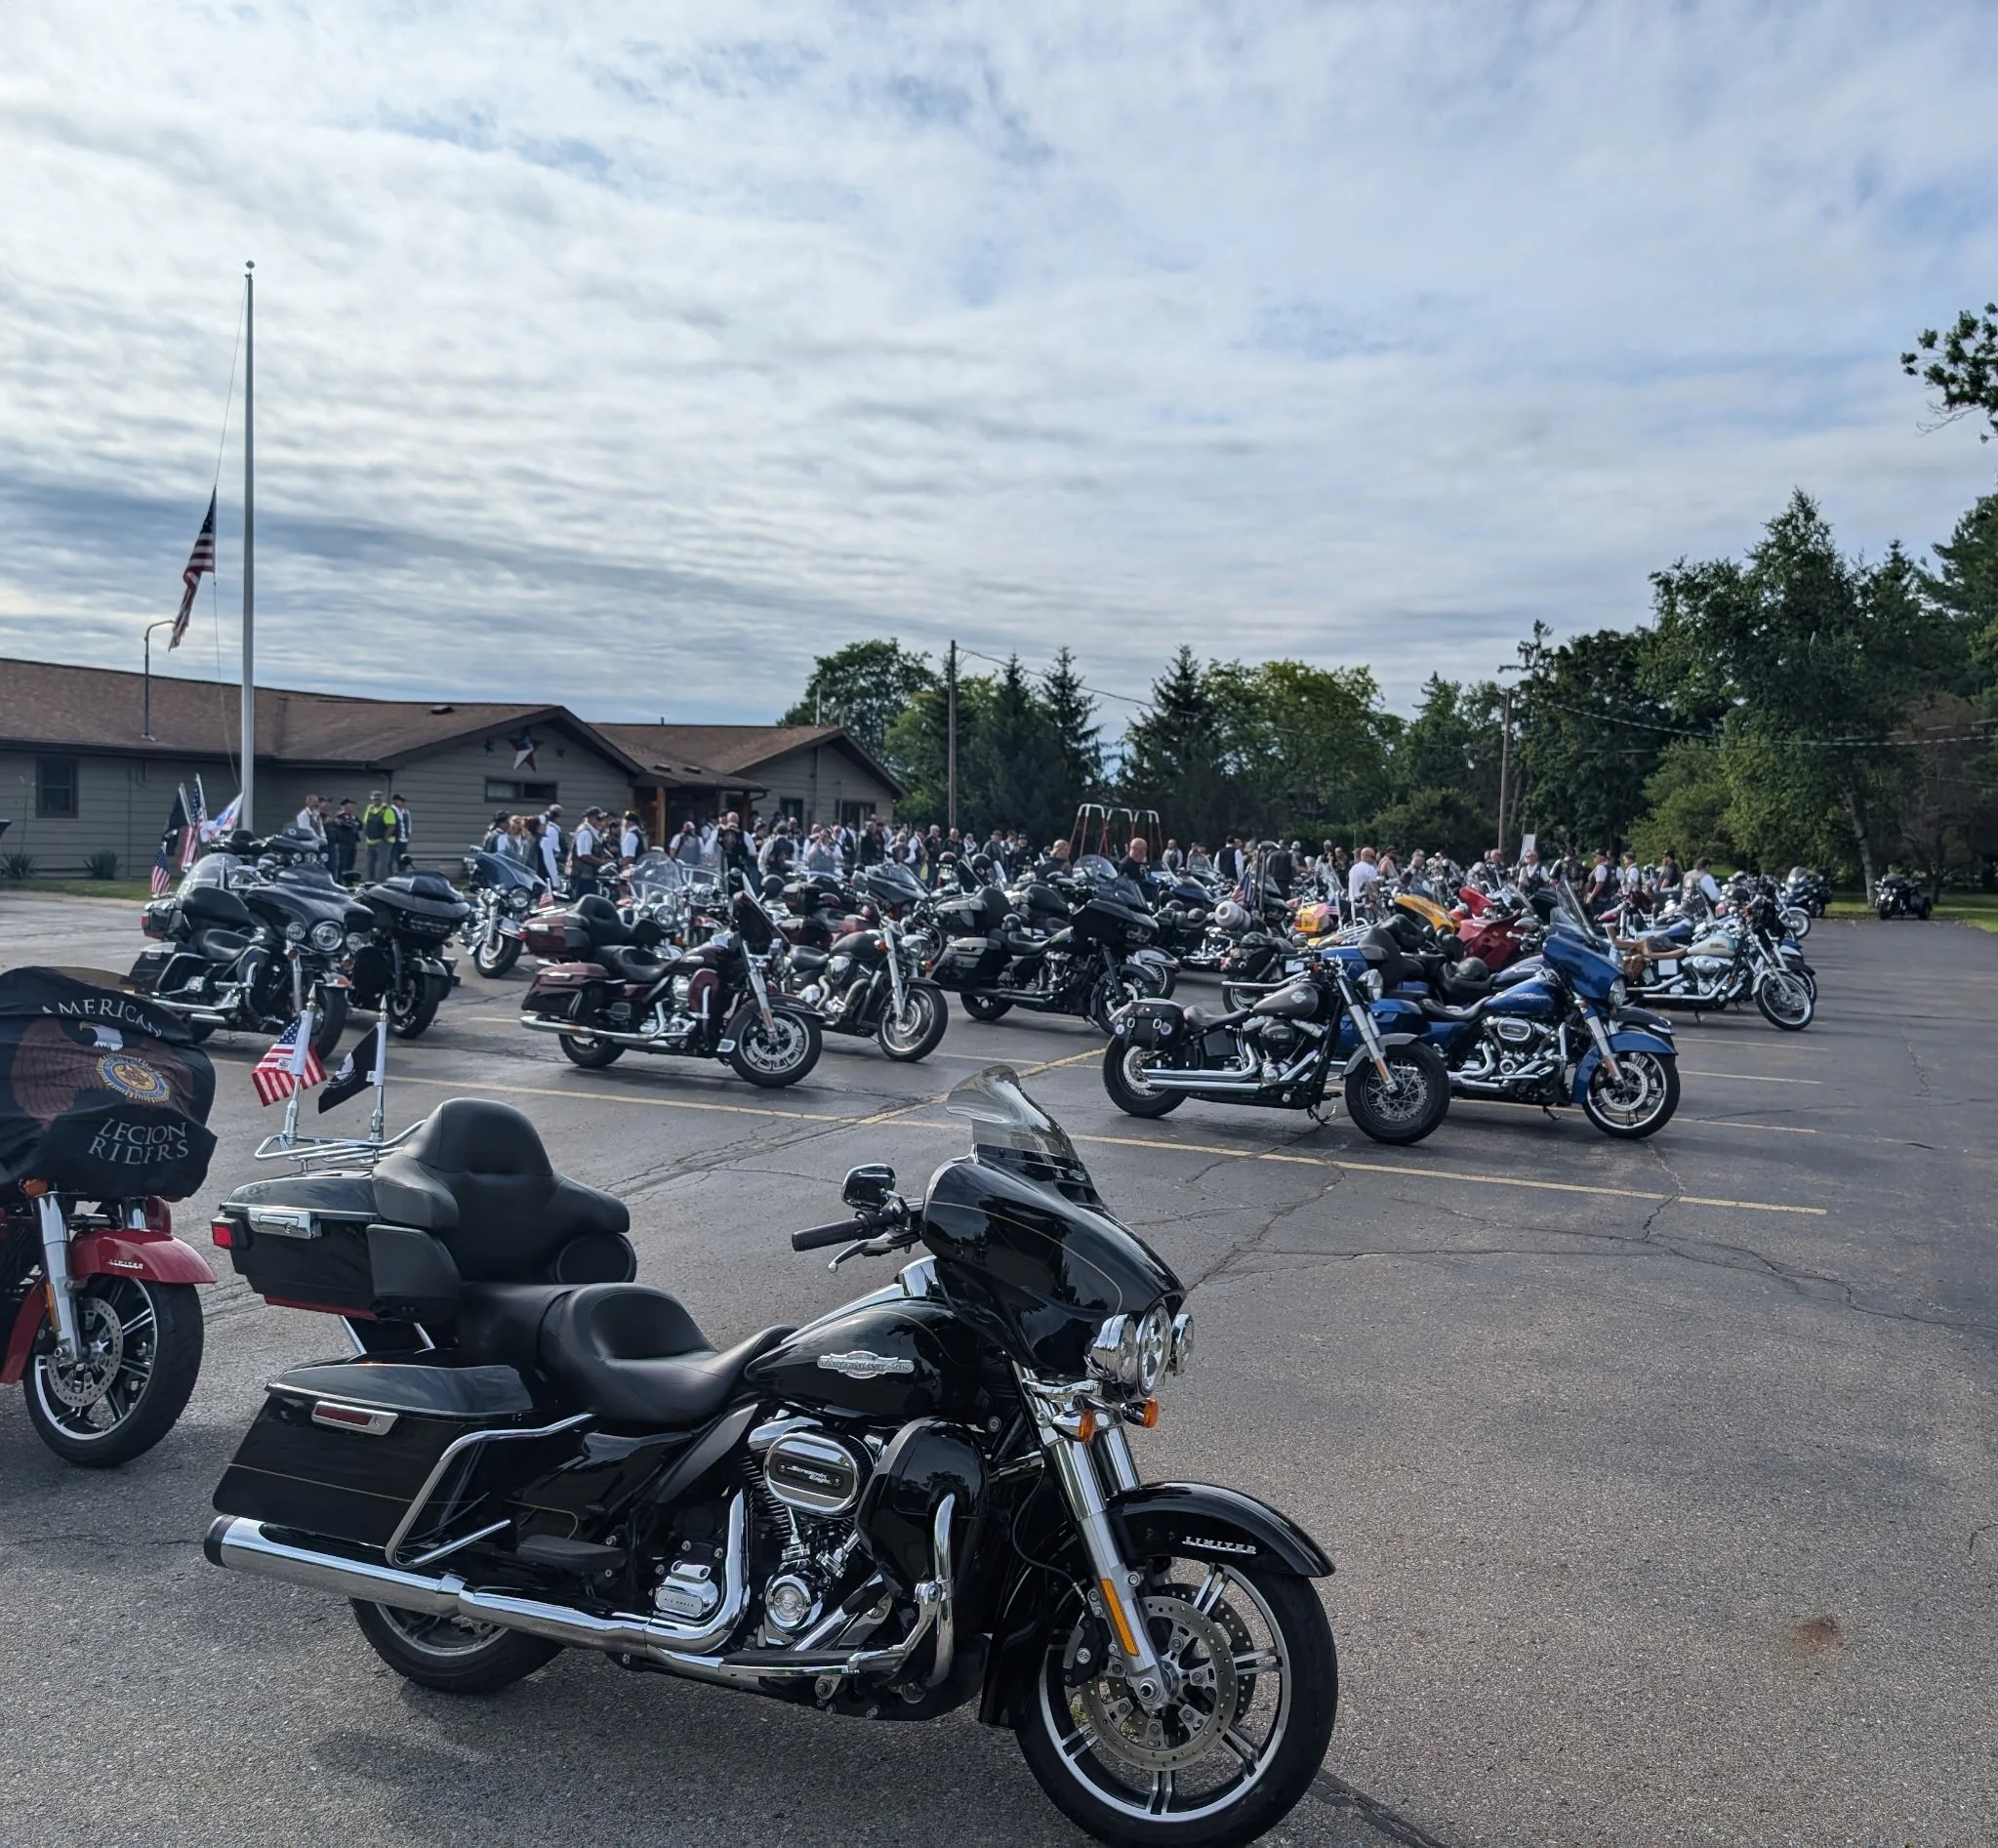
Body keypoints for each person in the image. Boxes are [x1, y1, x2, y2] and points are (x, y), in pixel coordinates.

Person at [361, 790, 399, 883]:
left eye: (378, 799)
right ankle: (370, 883)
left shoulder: (387, 810)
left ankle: (383, 885)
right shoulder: (370, 808)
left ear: (382, 799)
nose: (375, 801)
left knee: (382, 866)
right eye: (374, 799)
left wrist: (384, 839)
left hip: (383, 843)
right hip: (370, 842)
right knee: (370, 865)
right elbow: (366, 822)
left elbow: (392, 826)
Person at [569, 808, 607, 897]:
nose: (601, 822)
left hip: (588, 877)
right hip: (582, 877)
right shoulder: (585, 833)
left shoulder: (593, 833)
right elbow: (584, 855)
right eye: (598, 819)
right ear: (590, 819)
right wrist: (601, 863)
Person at [327, 800, 361, 883]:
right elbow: (346, 825)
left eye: (352, 807)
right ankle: (339, 881)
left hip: (352, 843)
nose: (351, 809)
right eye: (349, 807)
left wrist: (355, 822)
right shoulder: (340, 817)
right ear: (344, 807)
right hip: (343, 843)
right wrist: (354, 824)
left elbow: (360, 825)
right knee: (342, 864)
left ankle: (349, 881)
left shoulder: (354, 817)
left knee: (351, 863)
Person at [1348, 845, 1381, 917]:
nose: (1374, 860)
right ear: (1365, 856)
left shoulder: (1352, 869)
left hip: (1353, 904)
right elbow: (1373, 887)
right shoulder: (1370, 868)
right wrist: (1377, 899)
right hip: (1366, 905)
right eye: (1372, 857)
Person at [390, 794, 413, 870]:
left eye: (403, 801)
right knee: (393, 859)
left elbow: (409, 824)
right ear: (395, 801)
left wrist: (408, 833)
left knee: (403, 859)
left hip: (404, 840)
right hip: (395, 839)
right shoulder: (391, 810)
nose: (403, 803)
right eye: (401, 801)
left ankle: (403, 874)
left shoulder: (406, 811)